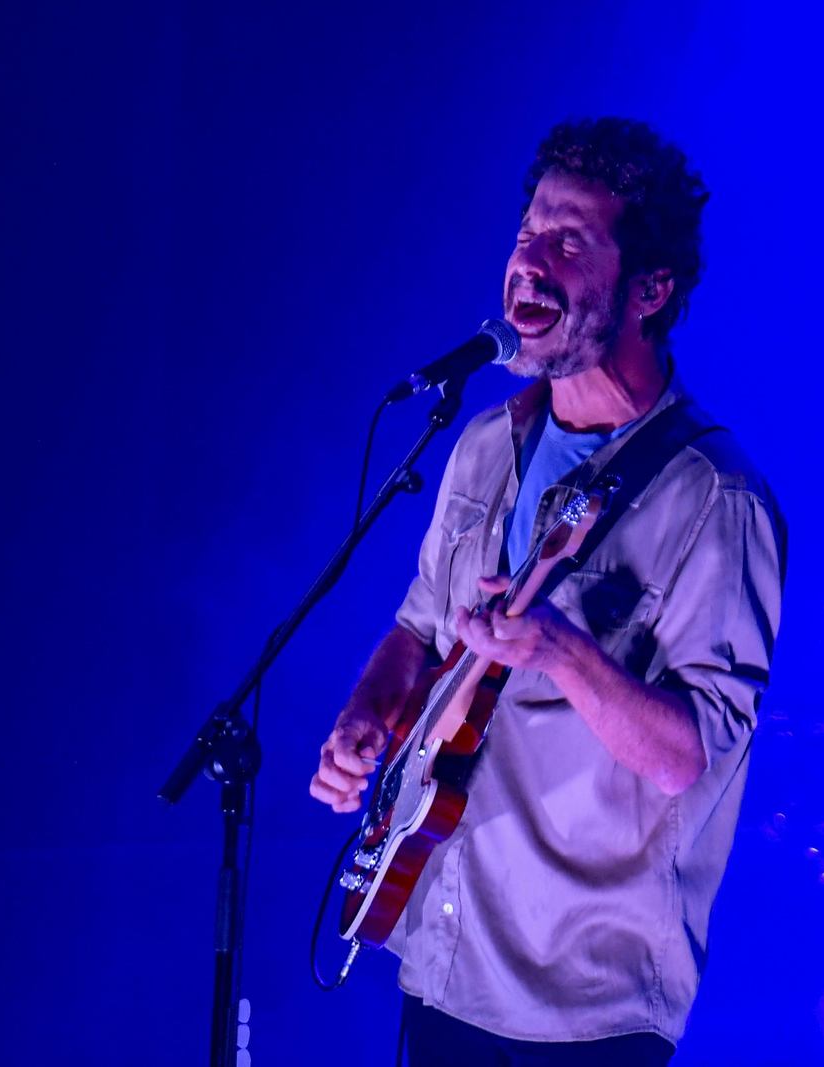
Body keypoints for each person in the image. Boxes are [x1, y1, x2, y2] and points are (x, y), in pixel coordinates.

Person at [308, 117, 787, 1065]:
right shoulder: (487, 439)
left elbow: (693, 755)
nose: (530, 261)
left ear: (650, 289)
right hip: (440, 954)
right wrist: (369, 714)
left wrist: (561, 651)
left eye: (569, 242)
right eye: (528, 233)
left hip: (583, 1007)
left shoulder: (716, 499)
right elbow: (421, 623)